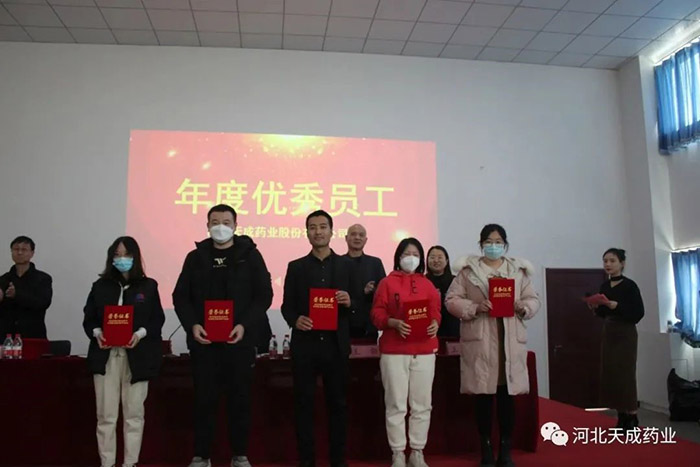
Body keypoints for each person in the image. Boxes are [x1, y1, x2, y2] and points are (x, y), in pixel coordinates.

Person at [173, 204, 273, 467]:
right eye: (215, 222)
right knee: (203, 401)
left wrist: (245, 325)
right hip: (204, 343)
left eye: (226, 222)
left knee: (240, 400)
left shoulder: (250, 255)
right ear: (207, 226)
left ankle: (239, 455)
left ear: (235, 226)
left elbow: (264, 295)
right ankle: (201, 455)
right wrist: (192, 325)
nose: (220, 227)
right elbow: (180, 297)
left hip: (239, 343)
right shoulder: (195, 257)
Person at [445, 224, 540, 467]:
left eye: (498, 242)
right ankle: (486, 448)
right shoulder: (468, 272)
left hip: (509, 343)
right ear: (481, 244)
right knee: (483, 399)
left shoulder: (517, 271)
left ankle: (505, 449)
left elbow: (533, 299)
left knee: (507, 400)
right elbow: (451, 300)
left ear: (505, 244)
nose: (493, 246)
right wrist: (475, 307)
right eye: (488, 241)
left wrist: (523, 307)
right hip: (482, 342)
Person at [82, 236, 165, 467]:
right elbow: (89, 318)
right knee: (106, 415)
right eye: (117, 255)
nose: (121, 259)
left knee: (134, 414)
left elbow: (156, 319)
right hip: (106, 356)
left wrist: (139, 334)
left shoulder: (148, 286)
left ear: (135, 257)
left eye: (126, 255)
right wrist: (98, 333)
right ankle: (107, 462)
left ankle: (130, 463)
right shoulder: (100, 286)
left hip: (137, 357)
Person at [281, 210, 354, 467]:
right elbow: (287, 307)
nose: (318, 232)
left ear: (332, 231)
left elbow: (360, 305)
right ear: (307, 232)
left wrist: (350, 301)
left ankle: (338, 460)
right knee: (304, 406)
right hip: (306, 346)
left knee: (338, 405)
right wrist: (295, 320)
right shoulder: (296, 267)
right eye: (313, 227)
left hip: (336, 346)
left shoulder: (346, 265)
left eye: (323, 227)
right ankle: (306, 460)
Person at [371, 238, 441, 467]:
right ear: (398, 257)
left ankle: (417, 452)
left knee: (422, 404)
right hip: (394, 351)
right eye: (406, 254)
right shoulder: (386, 283)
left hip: (424, 350)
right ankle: (398, 452)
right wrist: (392, 322)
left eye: (415, 254)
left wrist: (435, 323)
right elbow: (377, 314)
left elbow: (435, 311)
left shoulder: (428, 284)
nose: (411, 258)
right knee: (396, 404)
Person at [590, 248, 644, 431]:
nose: (608, 264)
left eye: (612, 261)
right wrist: (595, 307)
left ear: (622, 263)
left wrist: (617, 305)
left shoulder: (630, 286)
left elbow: (638, 313)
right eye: (605, 261)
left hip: (625, 332)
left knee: (626, 374)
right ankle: (621, 417)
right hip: (609, 331)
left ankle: (632, 417)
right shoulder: (605, 286)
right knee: (611, 373)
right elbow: (603, 313)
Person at [0, 236, 53, 338]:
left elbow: (43, 302)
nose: (19, 252)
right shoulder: (3, 279)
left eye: (24, 249)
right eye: (16, 249)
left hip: (33, 335)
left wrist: (17, 294)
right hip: (6, 337)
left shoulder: (43, 279)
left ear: (32, 253)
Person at [343, 224, 386, 339]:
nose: (357, 237)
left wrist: (372, 290)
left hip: (368, 326)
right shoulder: (338, 262)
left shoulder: (375, 263)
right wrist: (361, 292)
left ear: (366, 240)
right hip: (344, 325)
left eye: (361, 235)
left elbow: (383, 293)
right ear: (346, 238)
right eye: (353, 234)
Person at [425, 245, 458, 338]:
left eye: (440, 257)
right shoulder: (423, 281)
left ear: (446, 261)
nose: (436, 260)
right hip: (430, 328)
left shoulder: (455, 280)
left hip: (452, 328)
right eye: (432, 257)